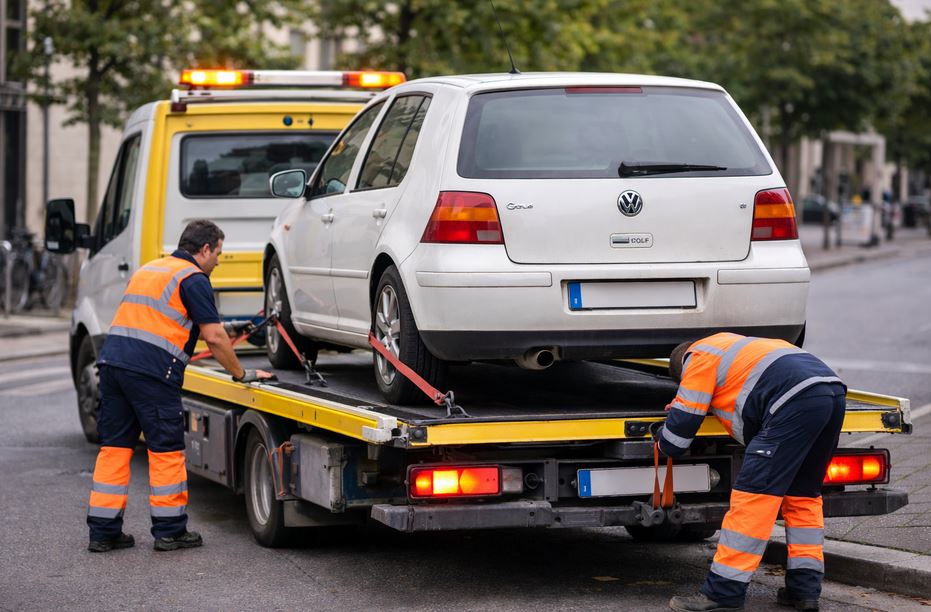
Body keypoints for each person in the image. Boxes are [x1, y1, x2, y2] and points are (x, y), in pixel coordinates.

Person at [86, 219, 273, 553]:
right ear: (204, 250)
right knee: (166, 450)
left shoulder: (152, 269)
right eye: (218, 252)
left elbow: (163, 319)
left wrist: (227, 327)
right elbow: (212, 337)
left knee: (114, 449)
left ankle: (103, 532)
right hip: (152, 374)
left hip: (113, 364)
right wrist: (240, 374)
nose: (218, 259)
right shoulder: (194, 278)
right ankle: (170, 530)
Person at [658, 332, 845, 612]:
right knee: (802, 497)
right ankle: (804, 592)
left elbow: (676, 440)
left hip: (793, 402)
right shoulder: (731, 347)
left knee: (754, 500)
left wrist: (663, 434)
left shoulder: (697, 358)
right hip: (831, 392)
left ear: (682, 368)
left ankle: (723, 594)